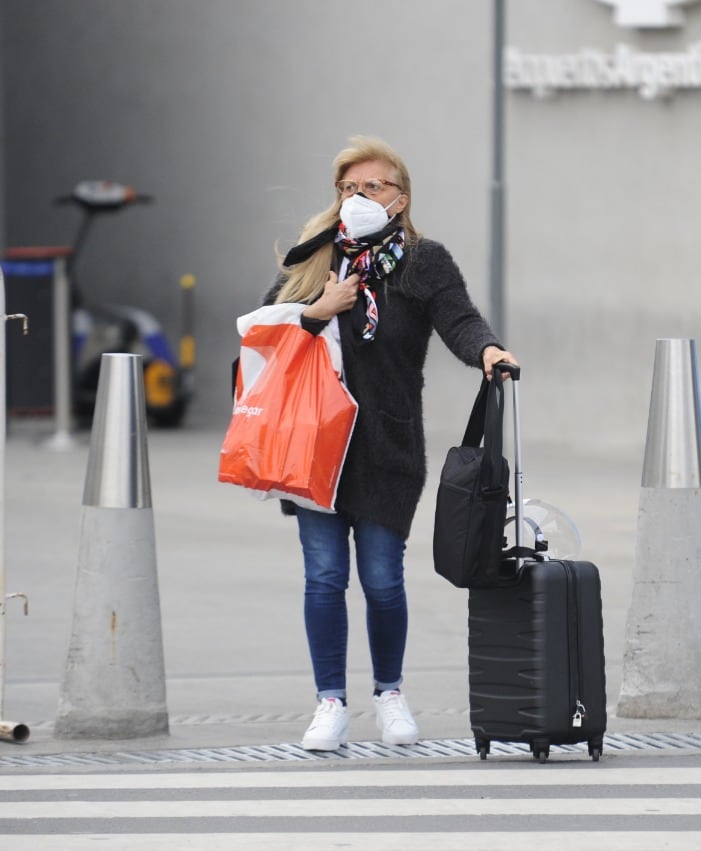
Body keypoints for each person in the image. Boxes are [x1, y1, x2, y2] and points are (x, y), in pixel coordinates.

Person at [261, 135, 518, 751]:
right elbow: (263, 339)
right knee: (323, 577)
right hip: (315, 448)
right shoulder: (311, 261)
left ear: (399, 198)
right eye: (348, 187)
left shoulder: (423, 262)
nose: (359, 196)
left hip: (388, 447)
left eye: (372, 186)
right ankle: (329, 703)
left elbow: (457, 318)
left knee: (381, 580)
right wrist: (318, 310)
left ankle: (389, 694)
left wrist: (486, 351)